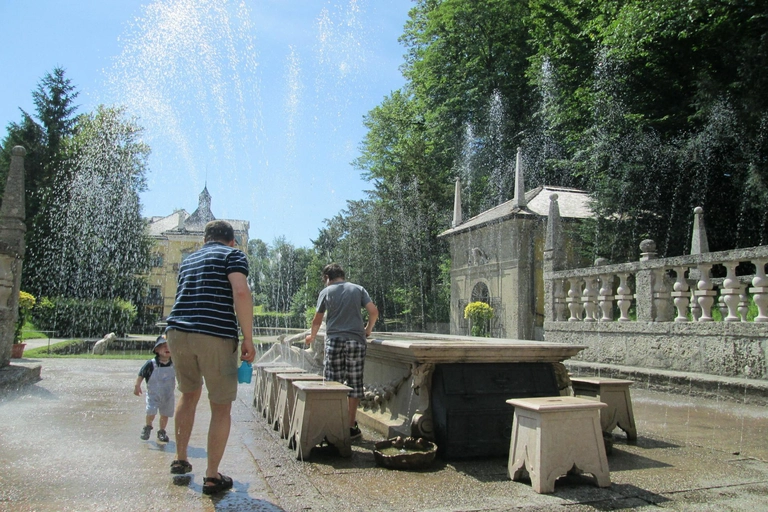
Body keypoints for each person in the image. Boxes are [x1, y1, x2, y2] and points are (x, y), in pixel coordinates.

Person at [165, 220, 255, 496]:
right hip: (214, 333)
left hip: (177, 332)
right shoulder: (233, 255)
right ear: (232, 241)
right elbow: (241, 291)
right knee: (220, 406)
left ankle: (180, 459)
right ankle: (212, 476)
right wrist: (248, 338)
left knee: (188, 394)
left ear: (205, 239)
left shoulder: (189, 260)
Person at [305, 263, 378, 439]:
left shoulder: (326, 292)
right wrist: (367, 330)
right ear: (342, 275)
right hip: (356, 341)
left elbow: (317, 320)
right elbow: (374, 312)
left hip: (335, 341)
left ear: (327, 278)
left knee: (332, 383)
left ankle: (333, 425)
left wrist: (311, 337)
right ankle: (350, 426)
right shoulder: (358, 289)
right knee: (354, 383)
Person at [134, 335, 175, 443]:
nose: (167, 348)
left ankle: (162, 431)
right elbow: (141, 374)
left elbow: (181, 375)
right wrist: (137, 385)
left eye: (169, 346)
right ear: (157, 349)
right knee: (151, 411)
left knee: (165, 414)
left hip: (168, 395)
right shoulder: (151, 364)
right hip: (153, 394)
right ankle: (148, 426)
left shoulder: (174, 363)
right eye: (164, 346)